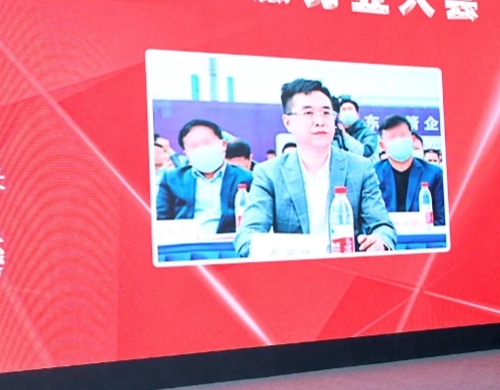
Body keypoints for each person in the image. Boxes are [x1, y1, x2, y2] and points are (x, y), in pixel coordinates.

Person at [234, 79, 395, 257]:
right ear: (288, 122)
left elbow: (383, 226)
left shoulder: (360, 168)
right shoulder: (269, 173)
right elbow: (247, 235)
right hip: (293, 270)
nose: (319, 121)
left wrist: (380, 241)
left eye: (326, 113)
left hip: (348, 270)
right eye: (308, 113)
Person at [155, 119, 254, 234]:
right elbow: (162, 220)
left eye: (207, 142)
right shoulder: (172, 179)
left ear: (223, 145)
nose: (202, 149)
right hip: (185, 243)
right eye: (194, 145)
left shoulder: (246, 178)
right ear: (186, 153)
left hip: (230, 243)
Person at [373, 116, 446, 226]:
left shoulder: (434, 174)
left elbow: (442, 218)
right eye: (392, 137)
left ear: (412, 139)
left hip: (424, 235)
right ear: (382, 146)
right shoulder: (373, 174)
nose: (398, 141)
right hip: (384, 235)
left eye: (402, 135)